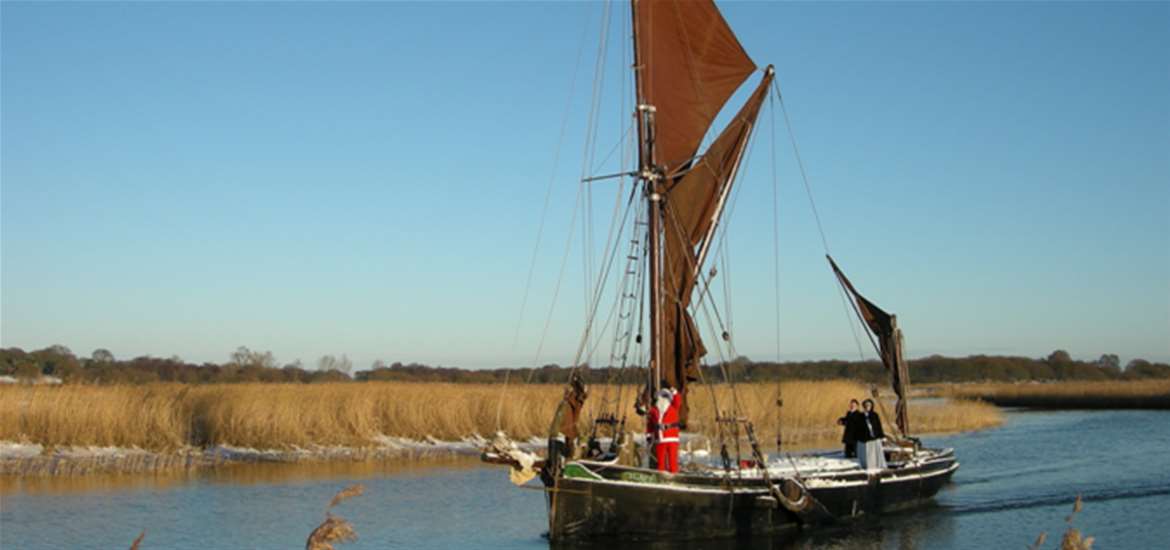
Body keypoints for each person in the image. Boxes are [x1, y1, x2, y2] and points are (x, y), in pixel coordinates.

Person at [646, 387, 681, 473]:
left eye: (665, 397)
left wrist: (675, 393)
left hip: (672, 438)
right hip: (660, 439)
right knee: (661, 461)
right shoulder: (654, 410)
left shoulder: (673, 407)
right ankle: (661, 475)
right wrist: (649, 435)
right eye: (662, 397)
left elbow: (678, 401)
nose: (663, 399)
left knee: (672, 459)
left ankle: (674, 475)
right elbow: (650, 424)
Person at [856, 399, 887, 471]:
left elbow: (879, 426)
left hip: (875, 437)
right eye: (866, 405)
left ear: (871, 406)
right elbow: (858, 427)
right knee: (868, 454)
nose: (867, 406)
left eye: (869, 405)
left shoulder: (875, 415)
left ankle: (878, 465)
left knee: (876, 453)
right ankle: (869, 466)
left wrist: (882, 436)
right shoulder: (861, 416)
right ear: (864, 406)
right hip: (866, 438)